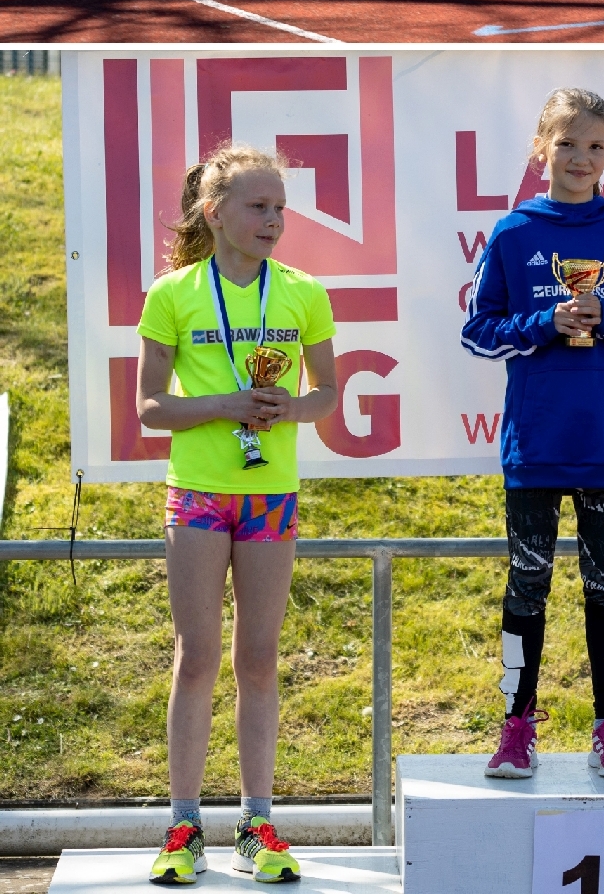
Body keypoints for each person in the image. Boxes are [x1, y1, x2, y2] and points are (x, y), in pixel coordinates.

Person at [136, 143, 338, 888]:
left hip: (269, 495)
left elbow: (327, 395)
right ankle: (183, 825)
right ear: (214, 214)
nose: (275, 220)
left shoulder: (304, 291)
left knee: (258, 659)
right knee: (196, 658)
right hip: (196, 494)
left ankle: (258, 824)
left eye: (281, 207)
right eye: (259, 207)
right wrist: (225, 406)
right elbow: (151, 409)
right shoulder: (174, 294)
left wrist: (292, 407)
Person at [461, 88, 604, 783]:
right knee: (528, 586)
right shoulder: (513, 233)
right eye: (567, 144)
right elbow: (477, 332)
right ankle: (516, 727)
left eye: (596, 147)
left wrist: (603, 317)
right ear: (539, 150)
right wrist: (541, 325)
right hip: (534, 447)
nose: (581, 159)